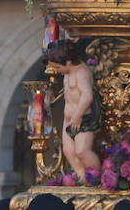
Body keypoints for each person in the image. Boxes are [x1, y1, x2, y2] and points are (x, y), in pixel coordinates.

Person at [42, 38, 100, 179]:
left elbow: (87, 96)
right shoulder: (67, 73)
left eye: (57, 67)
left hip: (82, 119)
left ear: (67, 61)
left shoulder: (81, 72)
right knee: (69, 151)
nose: (56, 71)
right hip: (68, 120)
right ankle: (82, 178)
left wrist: (77, 116)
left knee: (82, 151)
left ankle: (96, 176)